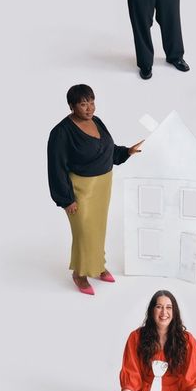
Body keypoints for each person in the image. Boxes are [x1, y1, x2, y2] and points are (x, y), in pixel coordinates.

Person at [47, 84, 143, 295]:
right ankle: (80, 274)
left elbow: (108, 149)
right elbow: (56, 167)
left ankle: (98, 266)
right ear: (71, 106)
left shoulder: (97, 121)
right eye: (83, 104)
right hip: (80, 189)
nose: (90, 108)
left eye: (92, 102)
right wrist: (67, 199)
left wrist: (127, 151)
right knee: (83, 232)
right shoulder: (61, 132)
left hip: (103, 186)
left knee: (98, 230)